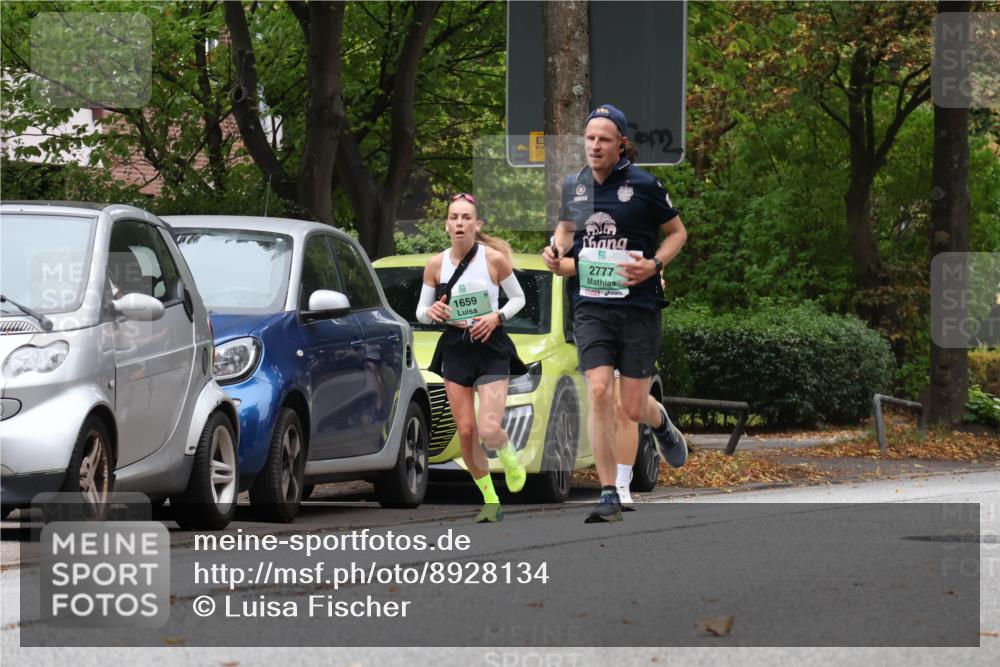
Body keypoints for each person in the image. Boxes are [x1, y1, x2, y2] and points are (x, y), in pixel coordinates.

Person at [543, 103, 688, 523]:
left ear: (621, 144)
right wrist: (556, 249)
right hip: (591, 306)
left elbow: (677, 233)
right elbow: (566, 230)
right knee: (600, 391)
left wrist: (654, 265)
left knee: (633, 405)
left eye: (603, 139)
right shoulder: (575, 187)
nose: (594, 146)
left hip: (638, 306)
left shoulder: (644, 185)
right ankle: (608, 492)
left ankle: (660, 423)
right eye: (589, 138)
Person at [416, 193, 528, 523]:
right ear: (446, 225)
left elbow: (518, 298)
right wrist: (431, 313)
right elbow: (421, 311)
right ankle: (491, 500)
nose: (460, 223)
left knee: (489, 429)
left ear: (477, 225)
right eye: (454, 217)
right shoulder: (435, 264)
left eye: (466, 217)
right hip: (456, 347)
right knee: (466, 431)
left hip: (490, 345)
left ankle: (508, 456)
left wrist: (496, 317)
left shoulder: (493, 259)